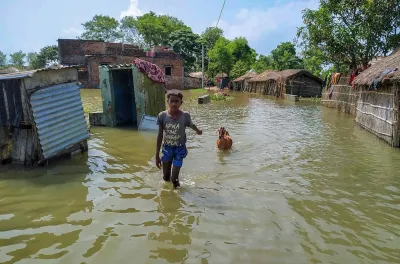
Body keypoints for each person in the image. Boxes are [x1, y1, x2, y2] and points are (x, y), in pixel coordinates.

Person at [155, 89, 202, 188]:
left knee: (174, 179)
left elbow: (191, 124)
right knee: (166, 177)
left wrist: (198, 130)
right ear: (167, 102)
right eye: (171, 101)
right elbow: (159, 135)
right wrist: (157, 155)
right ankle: (167, 197)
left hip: (179, 149)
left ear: (181, 102)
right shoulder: (162, 116)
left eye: (176, 101)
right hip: (167, 148)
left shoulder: (185, 116)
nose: (174, 104)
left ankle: (177, 196)